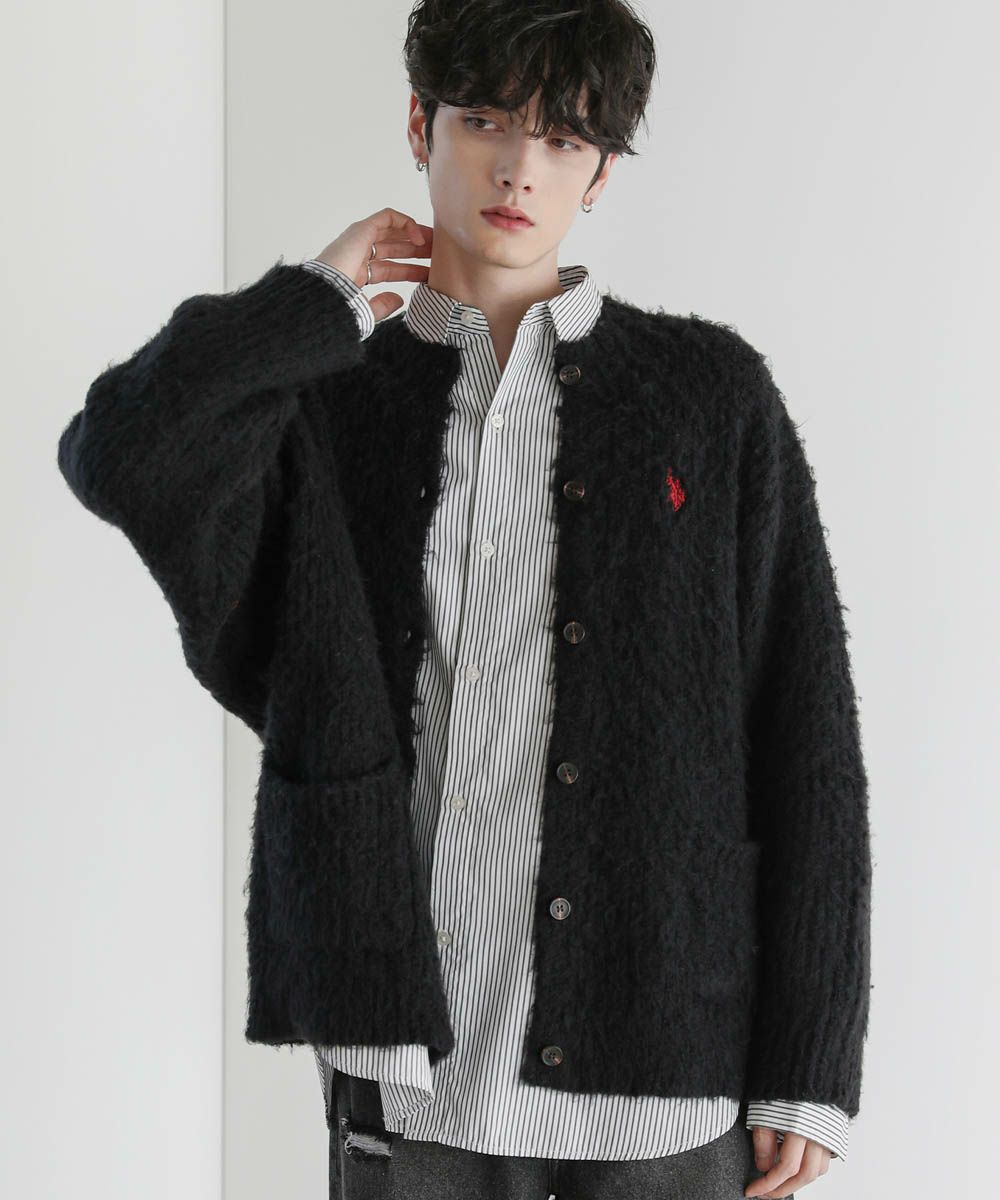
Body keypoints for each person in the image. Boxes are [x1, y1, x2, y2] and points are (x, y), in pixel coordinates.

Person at [55, 2, 872, 1198]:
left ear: (600, 171)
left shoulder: (708, 397)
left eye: (561, 138)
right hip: (410, 1067)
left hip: (667, 1069)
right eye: (484, 120)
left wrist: (812, 1058)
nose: (516, 168)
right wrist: (313, 302)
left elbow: (806, 733)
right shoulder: (328, 400)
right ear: (418, 125)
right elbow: (120, 450)